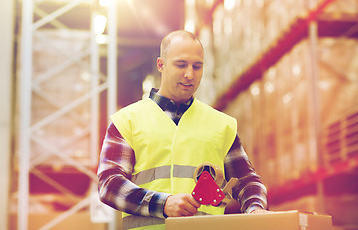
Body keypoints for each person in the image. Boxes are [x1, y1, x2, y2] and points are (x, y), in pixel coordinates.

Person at [97, 30, 268, 230]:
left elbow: (246, 181)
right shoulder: (126, 121)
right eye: (181, 65)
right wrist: (163, 203)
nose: (190, 74)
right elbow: (109, 184)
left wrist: (255, 209)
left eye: (197, 66)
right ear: (161, 65)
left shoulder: (222, 125)